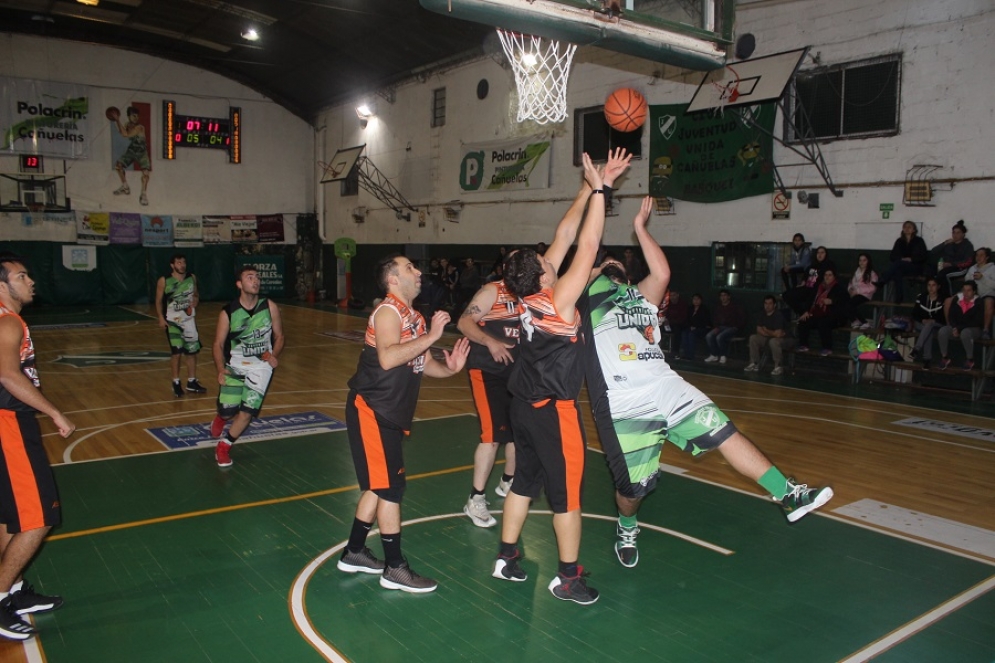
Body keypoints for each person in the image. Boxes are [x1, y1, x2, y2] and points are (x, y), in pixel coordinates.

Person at [579, 201, 833, 572]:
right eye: (608, 265)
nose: (614, 266)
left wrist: (640, 226)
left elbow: (662, 270)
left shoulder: (640, 295)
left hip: (665, 384)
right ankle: (627, 525)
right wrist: (596, 267)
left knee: (723, 430)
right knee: (632, 491)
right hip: (623, 401)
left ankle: (788, 493)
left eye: (619, 265)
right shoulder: (587, 298)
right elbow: (576, 273)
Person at [492, 148, 631, 606]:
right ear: (543, 272)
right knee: (567, 495)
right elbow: (586, 243)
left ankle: (507, 556)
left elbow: (565, 232)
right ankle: (568, 578)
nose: (550, 255)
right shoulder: (557, 301)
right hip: (555, 412)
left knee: (522, 484)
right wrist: (603, 191)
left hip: (523, 408)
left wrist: (589, 185)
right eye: (545, 258)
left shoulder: (527, 294)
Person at [337, 255, 469, 593]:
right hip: (372, 411)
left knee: (376, 486)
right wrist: (434, 335)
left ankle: (354, 551)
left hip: (390, 414)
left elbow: (421, 362)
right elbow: (388, 356)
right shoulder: (387, 312)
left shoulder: (415, 318)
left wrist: (450, 367)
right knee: (390, 490)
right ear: (393, 279)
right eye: (410, 268)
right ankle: (395, 567)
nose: (419, 271)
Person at [0, 254, 75, 641]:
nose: (30, 281)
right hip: (9, 425)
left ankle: (12, 590)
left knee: (8, 516)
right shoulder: (7, 321)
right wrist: (55, 413)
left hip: (6, 425)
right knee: (39, 517)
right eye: (21, 276)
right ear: (2, 285)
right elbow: (7, 373)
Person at [457, 254, 520, 528]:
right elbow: (464, 323)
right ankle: (475, 498)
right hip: (487, 370)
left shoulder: (532, 293)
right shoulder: (492, 291)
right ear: (506, 268)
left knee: (519, 433)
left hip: (517, 372)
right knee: (492, 436)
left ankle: (507, 482)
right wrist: (490, 342)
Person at [210, 267, 285, 468]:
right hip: (235, 365)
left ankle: (224, 446)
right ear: (239, 284)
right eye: (249, 277)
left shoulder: (269, 307)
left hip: (261, 367)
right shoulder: (228, 312)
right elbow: (217, 344)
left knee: (247, 412)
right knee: (228, 411)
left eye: (257, 277)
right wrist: (220, 369)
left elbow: (279, 336)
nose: (255, 281)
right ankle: (221, 416)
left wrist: (274, 356)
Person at [155, 254, 208, 398]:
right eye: (178, 263)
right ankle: (176, 382)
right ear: (172, 265)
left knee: (191, 352)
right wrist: (160, 317)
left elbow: (196, 294)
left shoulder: (192, 277)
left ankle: (191, 382)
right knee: (177, 353)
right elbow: (158, 301)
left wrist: (196, 300)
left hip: (189, 320)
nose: (182, 265)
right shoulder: (164, 280)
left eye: (183, 262)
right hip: (172, 321)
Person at [796, 268, 848, 356]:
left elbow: (845, 301)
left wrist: (832, 301)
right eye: (825, 275)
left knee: (823, 323)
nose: (827, 277)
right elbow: (810, 300)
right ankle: (804, 345)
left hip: (833, 315)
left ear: (834, 277)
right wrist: (806, 311)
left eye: (830, 275)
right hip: (817, 313)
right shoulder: (819, 287)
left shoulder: (839, 288)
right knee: (803, 321)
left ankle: (827, 348)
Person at [876, 221, 928, 303]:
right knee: (897, 271)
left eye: (909, 227)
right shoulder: (899, 241)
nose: (907, 229)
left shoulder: (919, 241)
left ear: (914, 230)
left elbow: (924, 256)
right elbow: (892, 256)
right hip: (902, 266)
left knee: (897, 264)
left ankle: (883, 280)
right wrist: (902, 258)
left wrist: (911, 259)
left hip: (915, 267)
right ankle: (899, 297)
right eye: (905, 227)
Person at [937, 280, 984, 370]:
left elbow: (977, 321)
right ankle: (944, 357)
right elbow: (951, 315)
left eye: (968, 290)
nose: (966, 293)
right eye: (964, 290)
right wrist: (954, 327)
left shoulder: (979, 302)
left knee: (965, 332)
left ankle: (970, 359)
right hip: (957, 327)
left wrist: (959, 328)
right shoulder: (957, 299)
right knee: (943, 331)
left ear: (974, 291)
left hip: (973, 329)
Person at [111, 106, 151, 206]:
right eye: (134, 116)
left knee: (145, 173)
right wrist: (118, 121)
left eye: (137, 116)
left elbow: (126, 135)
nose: (136, 118)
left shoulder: (140, 127)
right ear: (129, 116)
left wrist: (117, 120)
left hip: (142, 152)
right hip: (132, 150)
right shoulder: (127, 124)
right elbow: (122, 132)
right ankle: (125, 186)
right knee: (118, 165)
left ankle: (143, 194)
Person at [783, 246, 836, 315]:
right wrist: (803, 281)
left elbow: (829, 279)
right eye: (818, 253)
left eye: (822, 253)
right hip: (807, 288)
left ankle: (806, 314)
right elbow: (806, 275)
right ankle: (802, 313)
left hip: (818, 290)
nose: (820, 255)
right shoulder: (812, 265)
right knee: (786, 295)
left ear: (826, 254)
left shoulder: (829, 265)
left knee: (811, 297)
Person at [745, 295, 790, 375]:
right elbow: (758, 329)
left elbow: (779, 334)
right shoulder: (762, 314)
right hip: (768, 337)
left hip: (785, 339)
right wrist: (770, 333)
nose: (767, 306)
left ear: (774, 305)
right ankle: (754, 363)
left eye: (770, 304)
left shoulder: (778, 315)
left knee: (773, 341)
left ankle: (778, 367)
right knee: (753, 338)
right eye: (766, 303)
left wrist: (766, 330)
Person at [909, 277, 945, 368]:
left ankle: (917, 350)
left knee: (929, 327)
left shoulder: (943, 299)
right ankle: (926, 360)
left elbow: (944, 317)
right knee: (928, 329)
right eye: (929, 285)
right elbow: (914, 314)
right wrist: (923, 320)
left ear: (938, 287)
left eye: (933, 285)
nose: (931, 288)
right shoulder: (921, 297)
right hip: (921, 324)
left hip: (938, 324)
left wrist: (934, 320)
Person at [931, 220, 974, 294]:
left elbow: (967, 262)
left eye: (958, 233)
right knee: (930, 271)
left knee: (944, 274)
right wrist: (944, 243)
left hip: (959, 268)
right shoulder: (949, 244)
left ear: (963, 234)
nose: (955, 235)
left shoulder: (967, 245)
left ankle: (947, 296)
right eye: (953, 232)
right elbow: (933, 251)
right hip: (945, 266)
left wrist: (951, 264)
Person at [704, 289, 745, 364]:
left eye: (725, 295)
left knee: (719, 337)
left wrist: (736, 326)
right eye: (721, 296)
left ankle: (723, 355)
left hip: (732, 327)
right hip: (720, 327)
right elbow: (714, 319)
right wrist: (716, 327)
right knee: (709, 336)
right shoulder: (718, 307)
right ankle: (714, 354)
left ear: (729, 297)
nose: (723, 297)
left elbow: (741, 318)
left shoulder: (735, 307)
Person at [964, 247, 995, 339]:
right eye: (977, 255)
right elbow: (966, 282)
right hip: (973, 295)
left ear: (987, 257)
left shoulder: (993, 268)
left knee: (989, 302)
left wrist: (983, 278)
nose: (978, 257)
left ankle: (985, 330)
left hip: (987, 294)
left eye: (981, 255)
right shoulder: (972, 269)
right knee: (951, 300)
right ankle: (954, 328)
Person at [845, 253, 878, 330]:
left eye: (864, 260)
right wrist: (850, 289)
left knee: (850, 304)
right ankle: (854, 321)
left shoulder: (872, 273)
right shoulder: (856, 272)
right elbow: (851, 283)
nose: (862, 262)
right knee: (843, 302)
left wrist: (858, 291)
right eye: (860, 260)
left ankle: (864, 322)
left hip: (865, 295)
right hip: (854, 294)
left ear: (868, 261)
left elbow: (873, 287)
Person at [679, 294, 710, 361]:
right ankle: (685, 354)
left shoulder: (704, 309)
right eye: (694, 299)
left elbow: (705, 321)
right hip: (690, 327)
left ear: (701, 300)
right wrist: (690, 326)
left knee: (691, 335)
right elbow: (686, 319)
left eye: (697, 299)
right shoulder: (690, 309)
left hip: (701, 328)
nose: (696, 301)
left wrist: (696, 326)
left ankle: (691, 355)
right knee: (684, 333)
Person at [662, 290, 689, 359]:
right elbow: (665, 314)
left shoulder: (683, 304)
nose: (672, 297)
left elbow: (683, 318)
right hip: (669, 324)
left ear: (677, 295)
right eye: (670, 295)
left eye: (674, 295)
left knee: (677, 331)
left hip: (680, 325)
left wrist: (671, 321)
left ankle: (675, 352)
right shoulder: (668, 304)